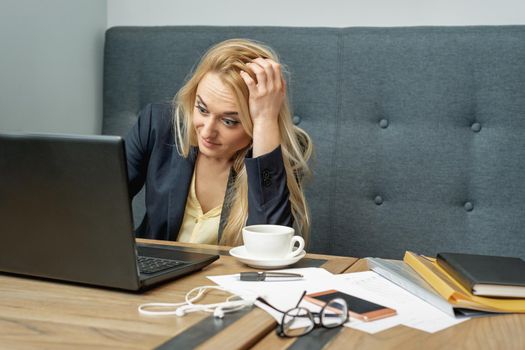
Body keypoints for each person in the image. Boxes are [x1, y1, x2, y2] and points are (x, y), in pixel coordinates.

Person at [125, 38, 312, 247]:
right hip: (153, 274)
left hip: (224, 279)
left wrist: (266, 121)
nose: (207, 131)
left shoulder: (276, 151)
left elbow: (269, 247)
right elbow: (98, 200)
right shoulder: (158, 125)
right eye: (202, 109)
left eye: (229, 121)